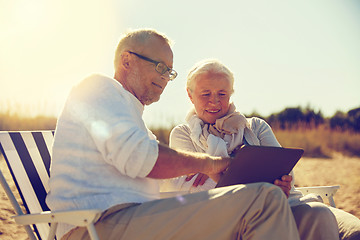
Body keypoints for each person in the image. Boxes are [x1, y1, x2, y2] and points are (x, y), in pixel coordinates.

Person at [45, 29, 301, 240]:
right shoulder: (97, 87)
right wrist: (213, 163)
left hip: (136, 220)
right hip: (98, 225)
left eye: (169, 71)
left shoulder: (133, 118)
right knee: (264, 200)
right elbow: (143, 159)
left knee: (276, 205)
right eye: (159, 67)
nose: (166, 78)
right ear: (126, 61)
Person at [166, 59, 360, 240]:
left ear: (231, 93)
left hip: (278, 203)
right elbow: (192, 188)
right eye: (205, 94)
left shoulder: (255, 126)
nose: (214, 101)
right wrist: (258, 183)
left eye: (222, 94)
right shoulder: (183, 134)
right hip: (221, 216)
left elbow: (284, 171)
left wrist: (214, 172)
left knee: (320, 213)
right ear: (190, 95)